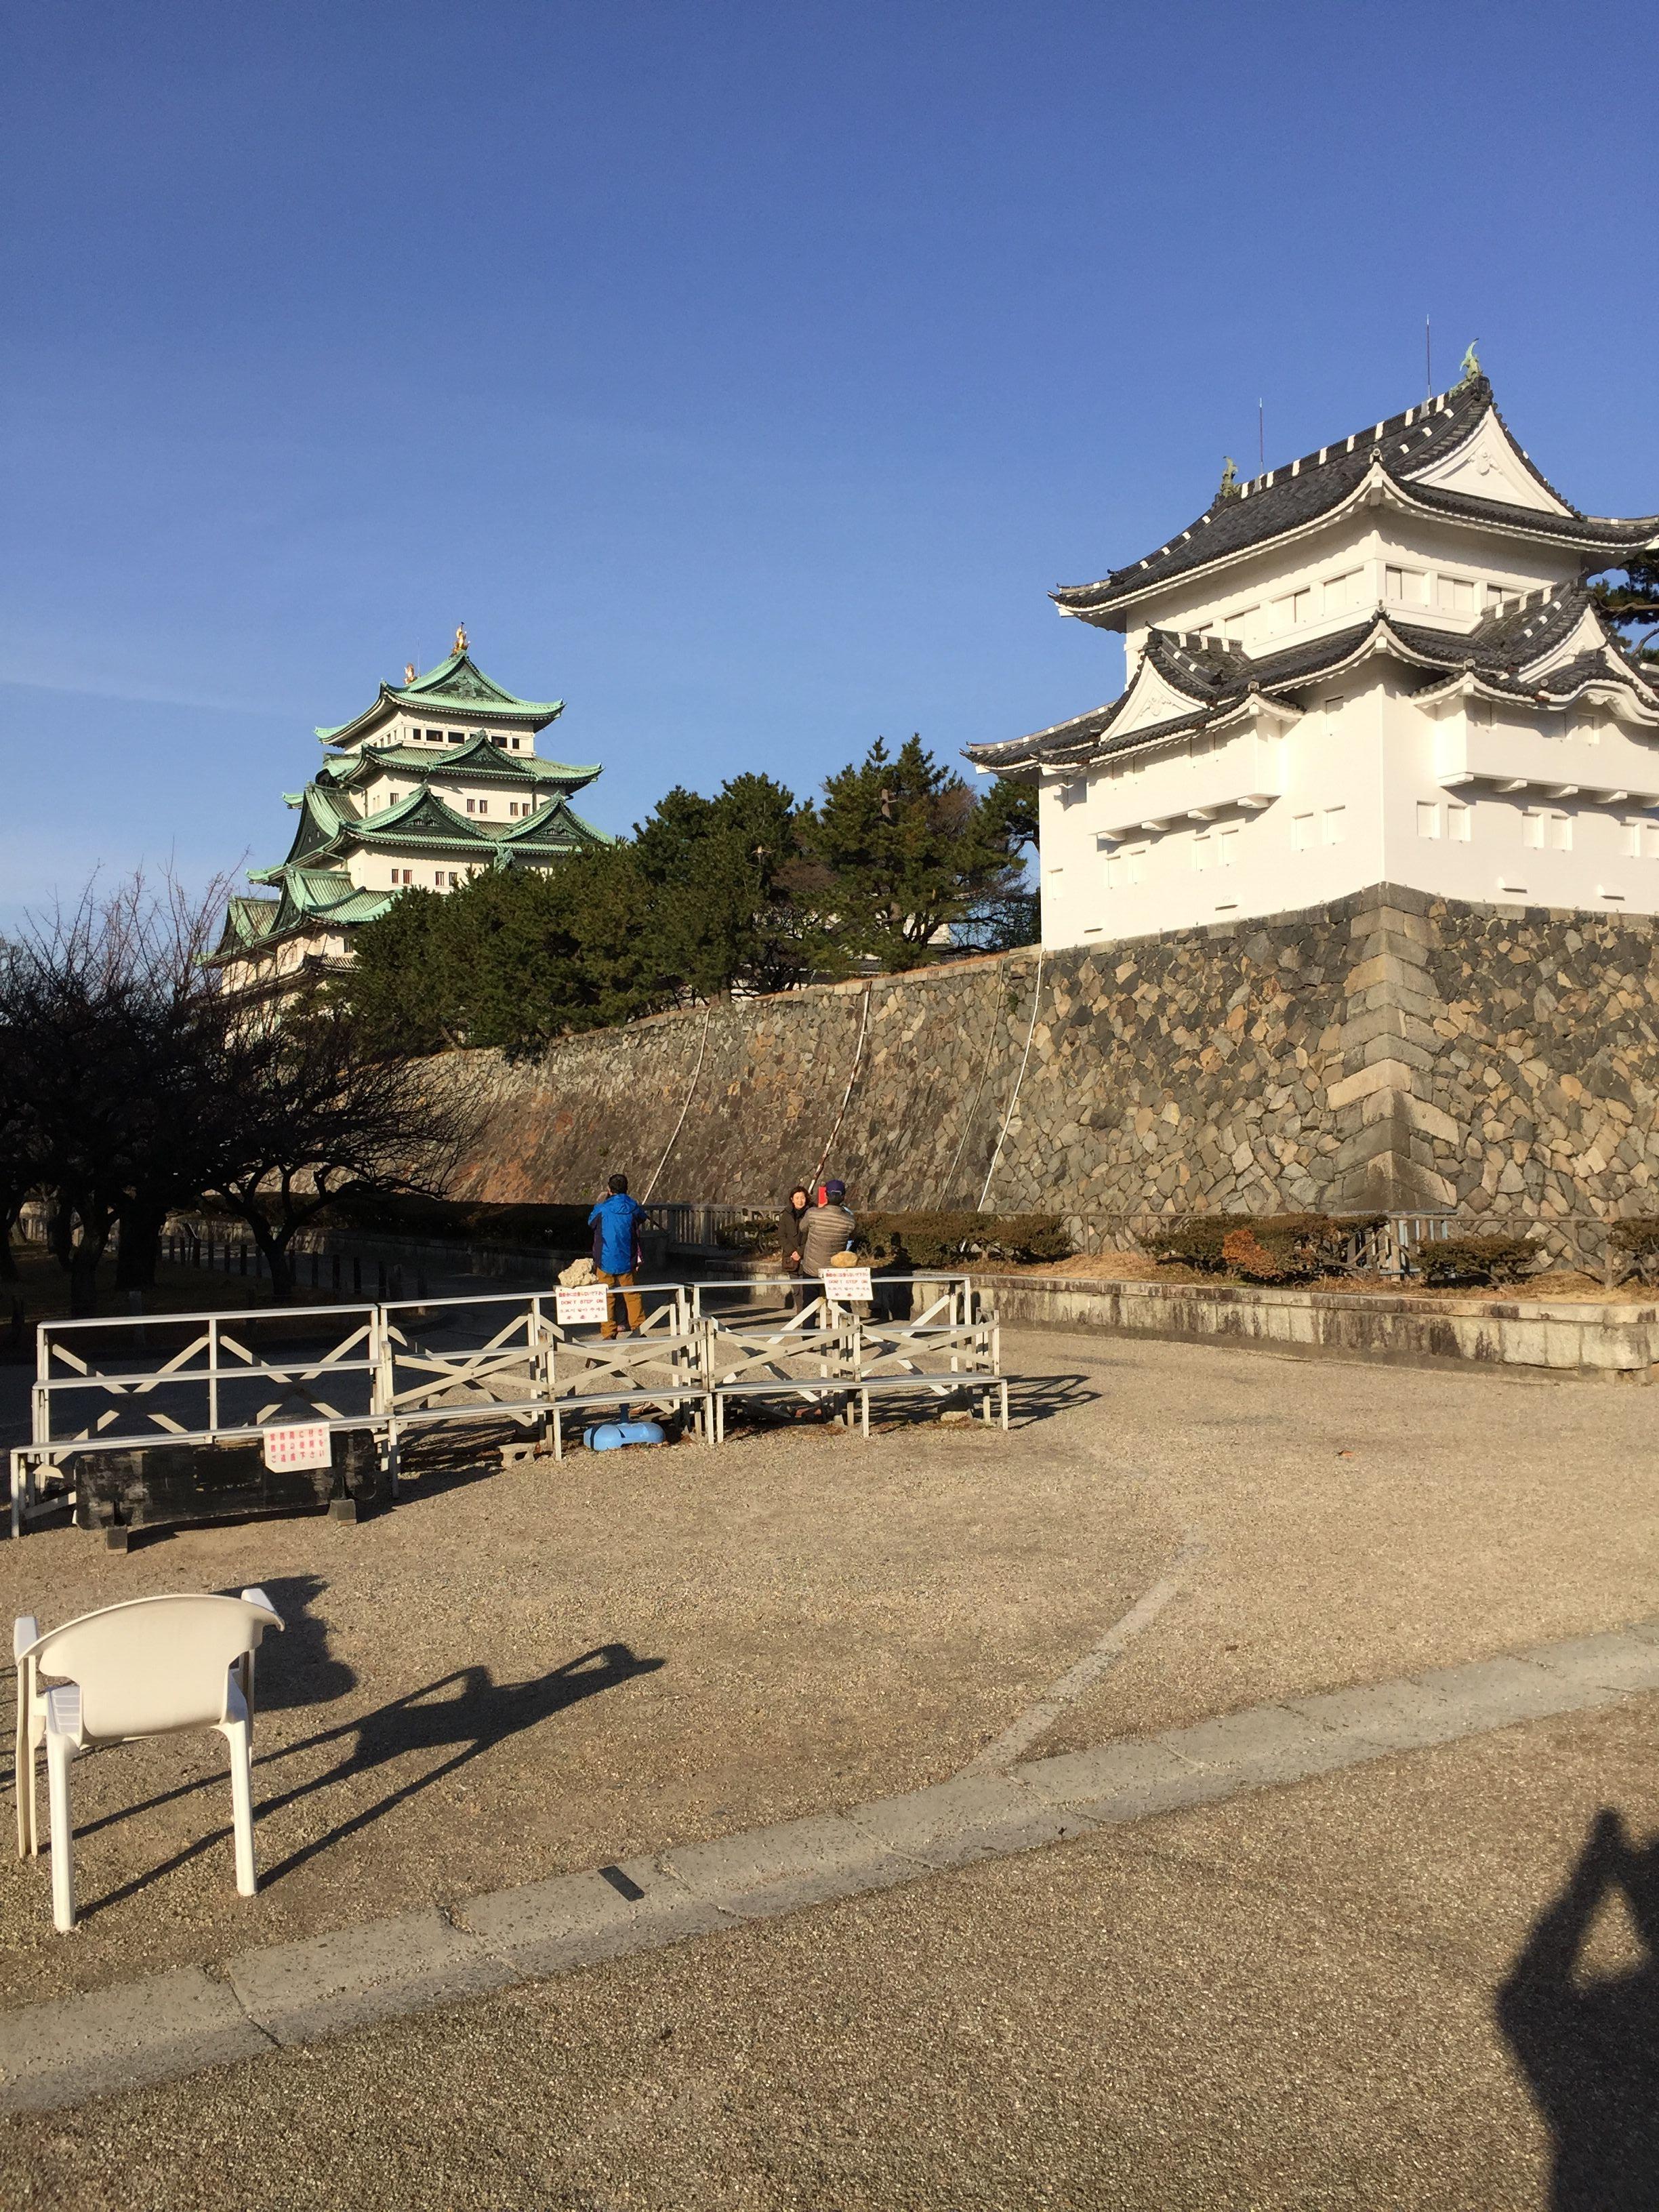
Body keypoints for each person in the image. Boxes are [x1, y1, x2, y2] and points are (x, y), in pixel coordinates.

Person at [588, 1172, 644, 1339]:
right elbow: (641, 1218)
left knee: (606, 1296)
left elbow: (591, 1223)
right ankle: (639, 1328)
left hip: (605, 1259)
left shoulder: (602, 1209)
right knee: (632, 1295)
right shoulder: (633, 1206)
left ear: (609, 1189)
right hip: (627, 1258)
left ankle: (608, 1332)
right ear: (627, 1189)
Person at [799, 1179, 855, 1286]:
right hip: (835, 1270)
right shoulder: (850, 1221)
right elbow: (852, 1237)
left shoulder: (812, 1214)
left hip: (812, 1269)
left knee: (810, 1301)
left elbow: (802, 1228)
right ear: (843, 1197)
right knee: (836, 1301)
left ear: (826, 1196)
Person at [779, 1182, 811, 1310]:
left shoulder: (811, 1213)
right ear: (792, 1200)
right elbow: (781, 1235)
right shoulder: (786, 1215)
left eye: (802, 1198)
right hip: (791, 1258)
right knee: (796, 1289)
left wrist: (801, 1251)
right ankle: (800, 1312)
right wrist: (793, 1252)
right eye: (797, 1198)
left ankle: (807, 1315)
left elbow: (813, 1236)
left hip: (807, 1256)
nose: (800, 1201)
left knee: (806, 1289)